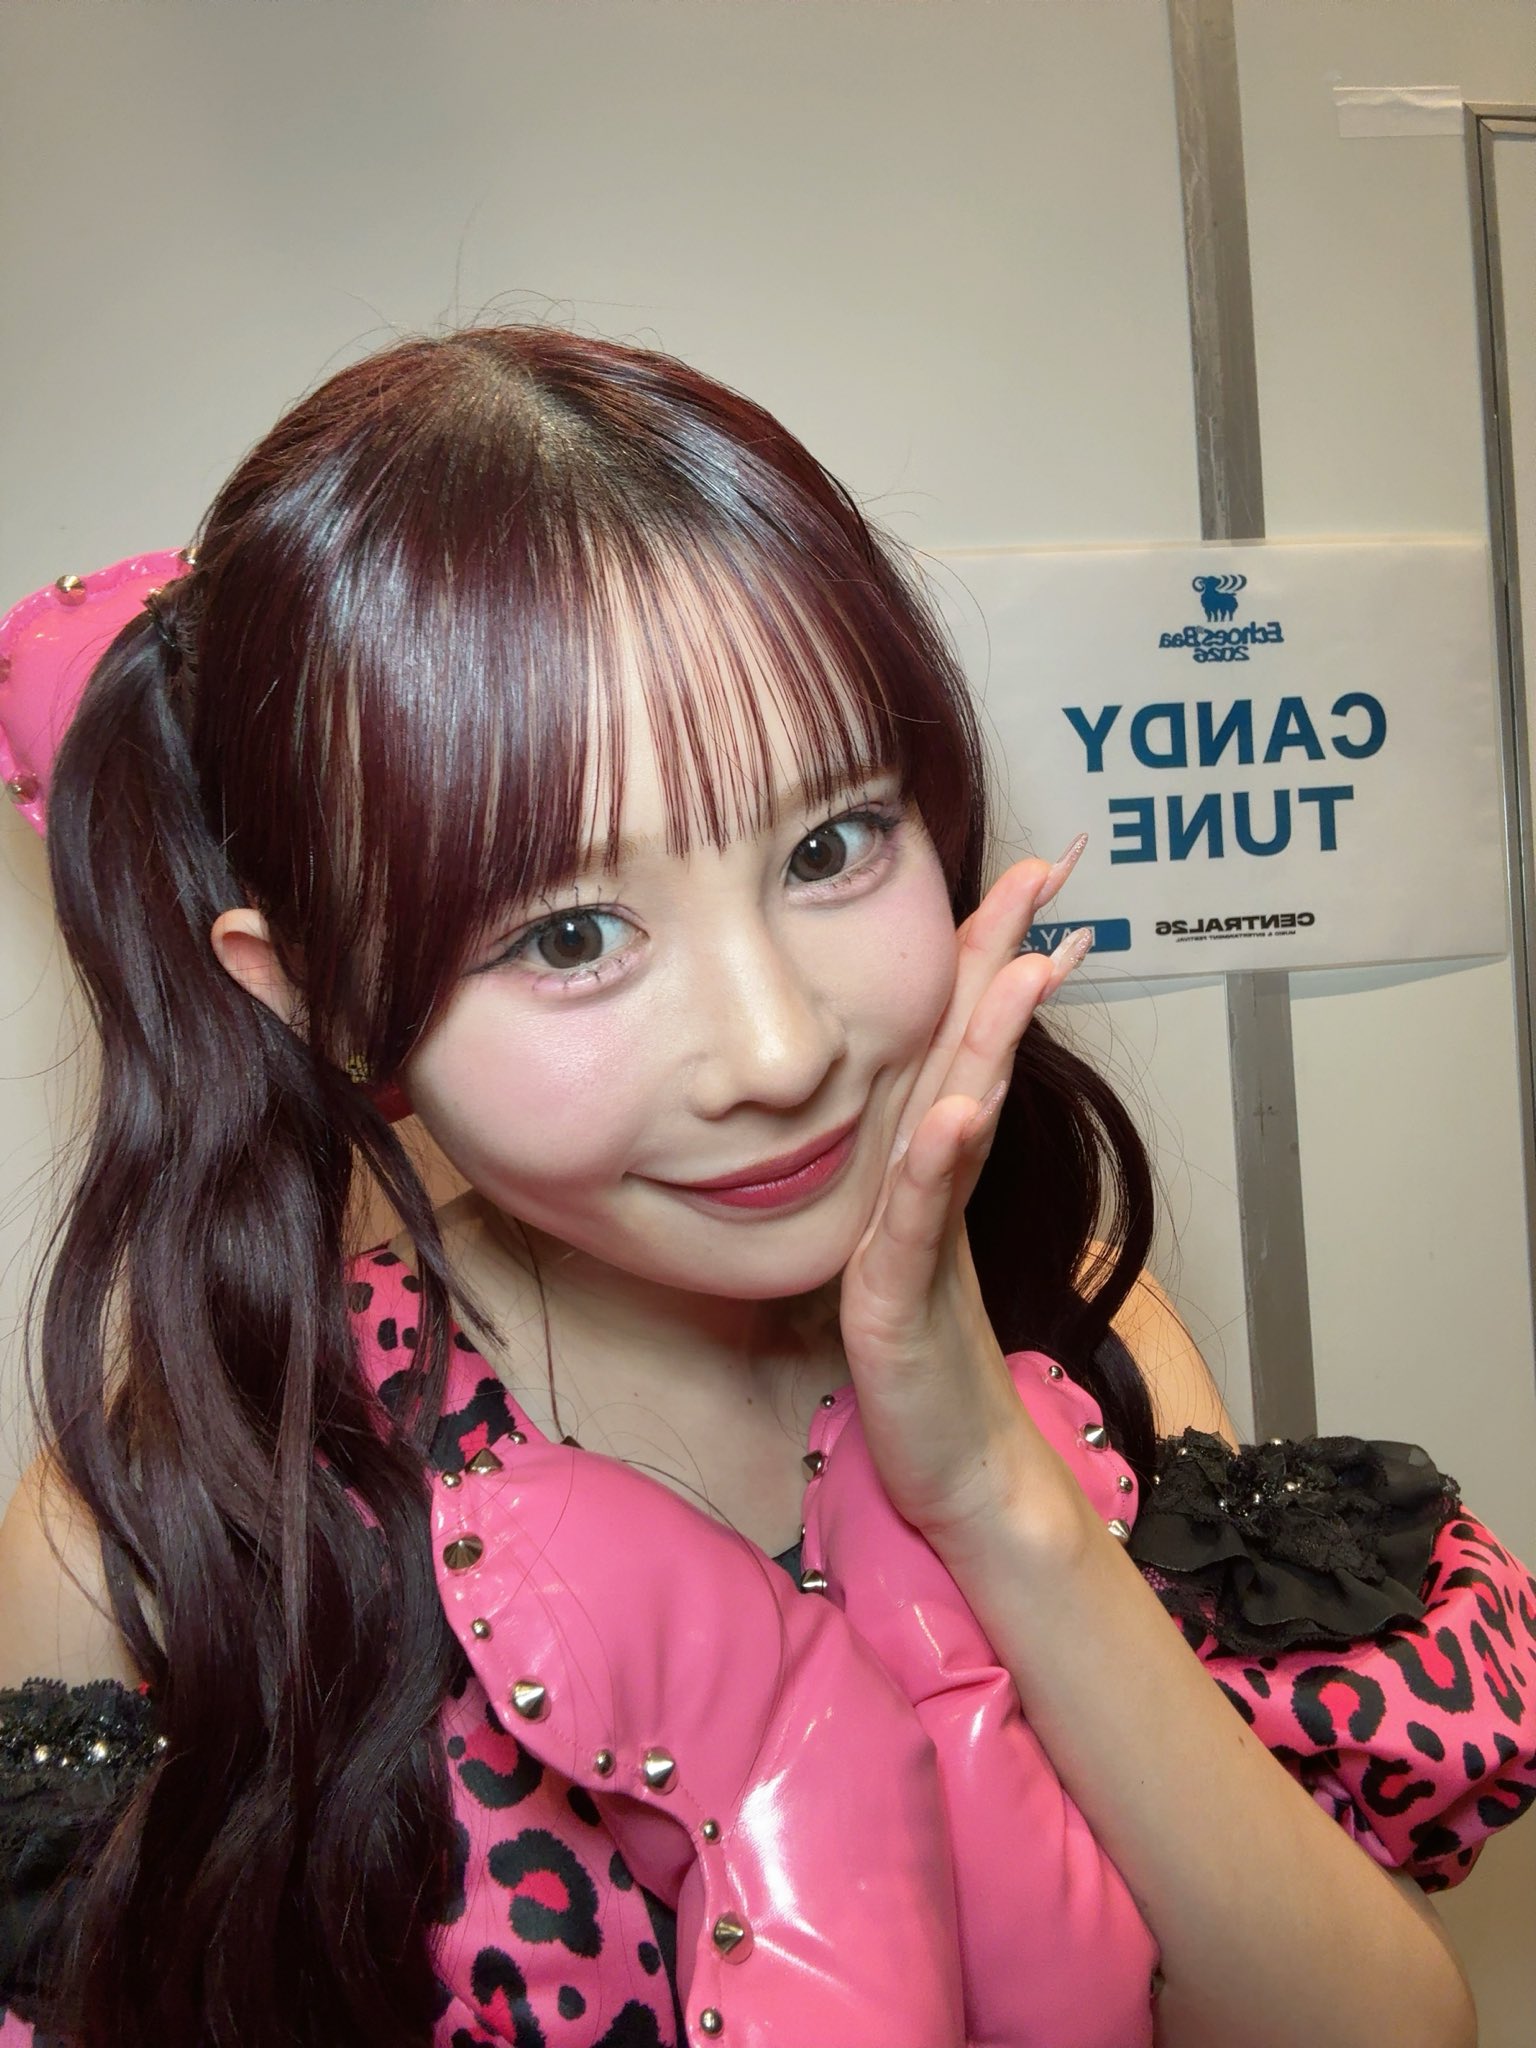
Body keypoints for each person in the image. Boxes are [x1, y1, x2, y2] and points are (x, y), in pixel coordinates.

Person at [0, 324, 1529, 2048]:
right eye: (570, 936)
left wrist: (995, 1496)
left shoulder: (1078, 1333)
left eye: (829, 844)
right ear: (319, 998)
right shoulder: (160, 1535)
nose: (780, 1049)